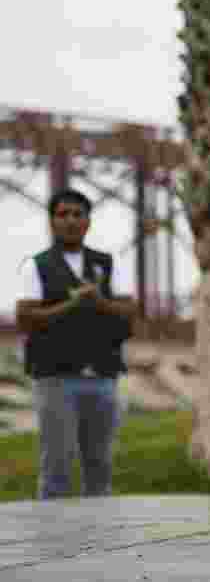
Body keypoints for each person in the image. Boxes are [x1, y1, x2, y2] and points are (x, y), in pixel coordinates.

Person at [15, 188, 137, 499]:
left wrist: (98, 300)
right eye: (62, 214)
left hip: (102, 376)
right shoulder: (36, 265)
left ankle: (100, 543)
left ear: (88, 221)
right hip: (54, 377)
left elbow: (128, 311)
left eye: (77, 213)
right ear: (52, 221)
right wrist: (71, 304)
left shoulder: (109, 263)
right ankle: (54, 544)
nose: (70, 220)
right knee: (57, 466)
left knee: (100, 467)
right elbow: (25, 317)